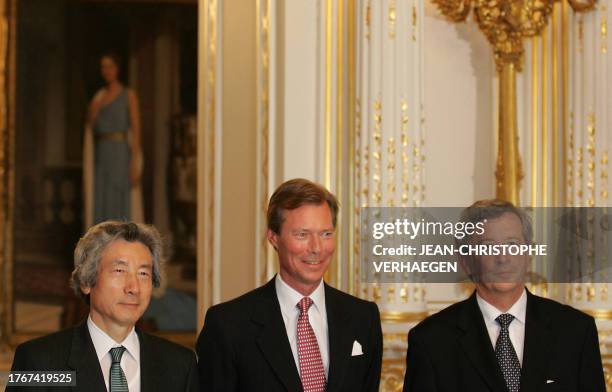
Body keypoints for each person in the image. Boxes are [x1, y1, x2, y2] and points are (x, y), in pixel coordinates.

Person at [196, 178, 383, 392]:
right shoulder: (228, 326)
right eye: (302, 235)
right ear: (273, 238)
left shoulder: (363, 318)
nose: (316, 248)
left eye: (326, 234)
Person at [402, 199, 605, 392]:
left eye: (512, 244)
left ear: (529, 253)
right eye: (488, 246)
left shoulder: (576, 331)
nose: (503, 258)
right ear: (465, 260)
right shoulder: (431, 340)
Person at [8, 221, 198, 392]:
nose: (133, 287)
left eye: (143, 274)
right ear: (87, 281)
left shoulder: (180, 365)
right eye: (119, 270)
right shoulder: (37, 361)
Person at [83, 53, 143, 227]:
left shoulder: (128, 95)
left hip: (120, 153)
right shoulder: (99, 97)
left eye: (110, 66)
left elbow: (136, 129)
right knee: (101, 197)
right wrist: (94, 109)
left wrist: (135, 161)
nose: (107, 71)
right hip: (102, 154)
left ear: (117, 68)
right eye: (103, 67)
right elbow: (90, 128)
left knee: (118, 198)